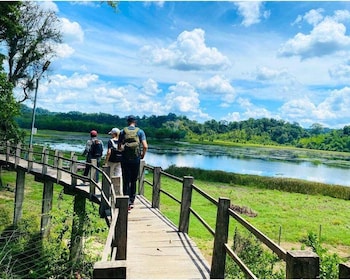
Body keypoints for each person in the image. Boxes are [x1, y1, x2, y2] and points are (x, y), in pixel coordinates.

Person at [118, 115, 148, 210]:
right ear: (135, 122)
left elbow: (119, 146)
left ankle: (125, 200)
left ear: (127, 122)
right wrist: (142, 155)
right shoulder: (140, 131)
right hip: (136, 159)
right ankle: (131, 201)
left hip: (125, 159)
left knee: (126, 179)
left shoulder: (123, 131)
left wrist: (123, 150)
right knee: (134, 180)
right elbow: (145, 146)